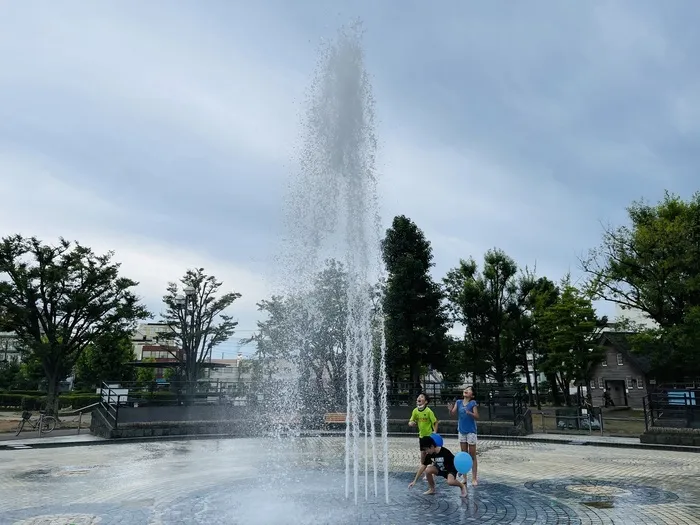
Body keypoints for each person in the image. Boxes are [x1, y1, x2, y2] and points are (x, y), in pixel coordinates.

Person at [447, 386, 479, 486]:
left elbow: (477, 416)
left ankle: (474, 478)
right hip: (461, 431)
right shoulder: (459, 402)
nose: (466, 390)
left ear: (472, 395)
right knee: (464, 454)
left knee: (472, 455)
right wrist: (450, 409)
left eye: (469, 390)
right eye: (466, 389)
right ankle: (464, 478)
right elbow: (452, 413)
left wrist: (469, 413)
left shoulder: (473, 403)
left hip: (471, 431)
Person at [408, 393, 438, 474]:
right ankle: (423, 469)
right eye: (418, 396)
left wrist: (435, 432)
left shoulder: (428, 411)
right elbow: (411, 421)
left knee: (430, 453)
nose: (419, 398)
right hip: (422, 436)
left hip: (429, 436)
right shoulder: (415, 411)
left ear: (426, 402)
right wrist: (411, 423)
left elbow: (435, 422)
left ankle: (431, 470)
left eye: (421, 397)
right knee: (423, 454)